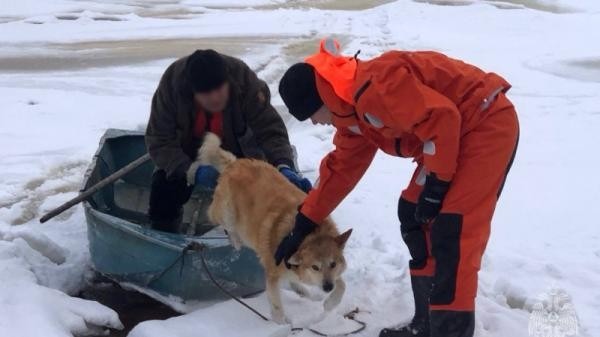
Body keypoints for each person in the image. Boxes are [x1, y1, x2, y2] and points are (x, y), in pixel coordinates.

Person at [275, 39, 519, 337]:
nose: (313, 123)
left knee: (451, 231)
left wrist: (437, 186)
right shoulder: (352, 114)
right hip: (449, 138)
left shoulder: (375, 88)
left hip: (484, 123)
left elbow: (443, 118)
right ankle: (426, 325)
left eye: (311, 114)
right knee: (414, 214)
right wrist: (303, 223)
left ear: (320, 99)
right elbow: (340, 171)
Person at [145, 49, 311, 233]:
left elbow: (269, 130)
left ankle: (245, 236)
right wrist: (193, 171)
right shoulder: (172, 85)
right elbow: (159, 139)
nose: (215, 97)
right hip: (187, 152)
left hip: (237, 151)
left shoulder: (245, 81)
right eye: (206, 94)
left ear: (228, 83)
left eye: (219, 89)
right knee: (163, 188)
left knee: (253, 199)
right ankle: (165, 234)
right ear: (193, 93)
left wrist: (283, 165)